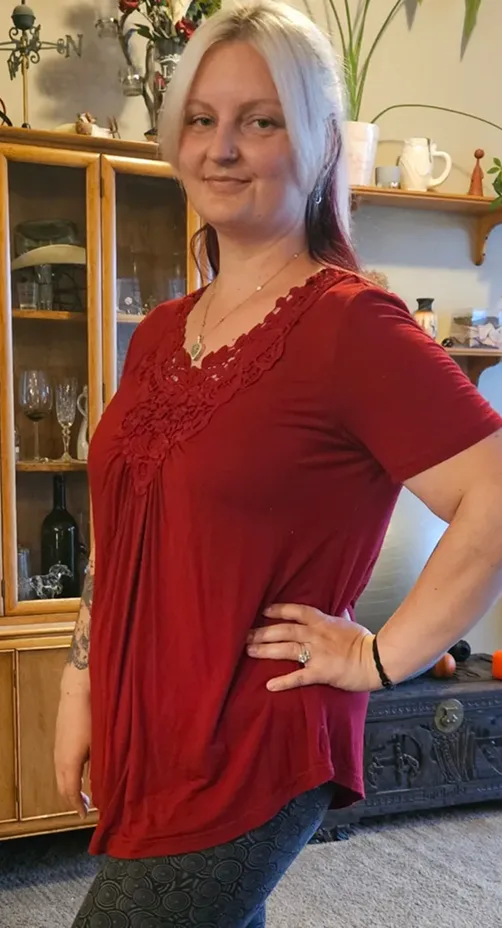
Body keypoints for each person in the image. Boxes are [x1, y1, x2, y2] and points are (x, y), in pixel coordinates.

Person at [55, 1, 502, 925]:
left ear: (320, 143)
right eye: (201, 119)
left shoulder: (350, 325)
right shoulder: (162, 332)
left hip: (256, 735)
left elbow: (493, 492)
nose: (222, 148)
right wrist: (80, 681)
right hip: (153, 722)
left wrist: (381, 657)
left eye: (260, 121)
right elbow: (120, 521)